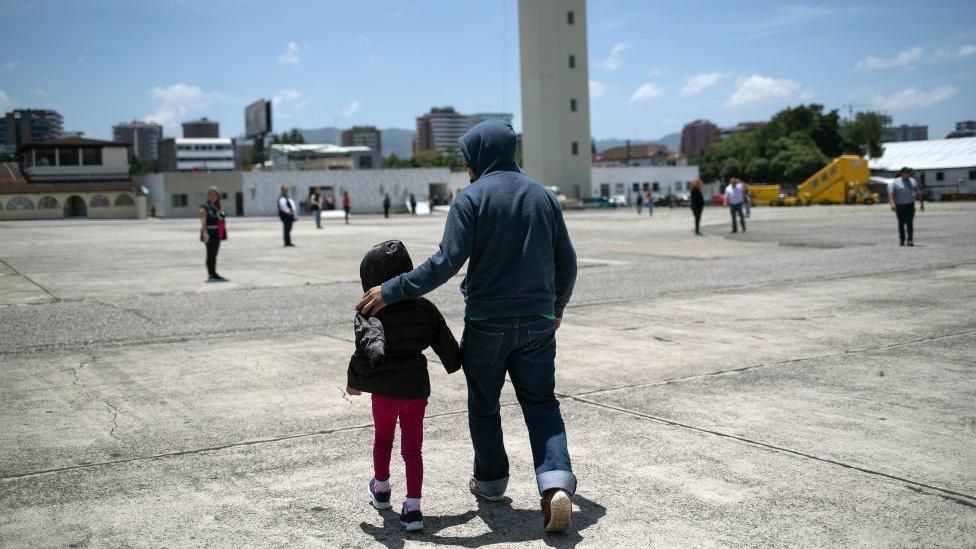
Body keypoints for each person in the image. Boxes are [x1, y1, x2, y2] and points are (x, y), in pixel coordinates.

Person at [357, 120, 578, 534]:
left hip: (487, 325)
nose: (465, 168)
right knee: (542, 405)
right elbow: (567, 261)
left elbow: (445, 264)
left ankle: (492, 483)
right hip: (538, 323)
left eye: (466, 159)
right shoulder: (543, 197)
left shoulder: (471, 200)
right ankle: (554, 486)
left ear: (480, 155)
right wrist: (557, 306)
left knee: (484, 404)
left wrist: (393, 290)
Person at [346, 240, 461, 532]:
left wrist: (354, 384)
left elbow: (363, 350)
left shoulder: (371, 310)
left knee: (383, 440)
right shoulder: (425, 308)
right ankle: (413, 508)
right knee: (413, 449)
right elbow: (445, 343)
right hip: (416, 390)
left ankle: (381, 490)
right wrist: (455, 362)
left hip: (384, 391)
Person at [199, 186, 228, 282]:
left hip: (217, 233)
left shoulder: (218, 207)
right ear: (207, 196)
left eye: (215, 194)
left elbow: (222, 217)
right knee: (210, 254)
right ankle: (211, 275)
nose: (212, 196)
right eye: (210, 194)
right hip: (209, 232)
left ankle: (214, 273)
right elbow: (203, 221)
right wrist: (205, 233)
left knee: (214, 254)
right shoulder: (204, 207)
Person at [889, 167, 923, 246]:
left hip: (910, 205)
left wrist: (921, 203)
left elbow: (918, 192)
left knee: (909, 223)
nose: (908, 174)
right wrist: (892, 204)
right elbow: (891, 194)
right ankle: (902, 239)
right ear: (902, 173)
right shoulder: (895, 182)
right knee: (901, 223)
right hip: (899, 206)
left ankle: (910, 240)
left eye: (908, 173)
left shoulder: (913, 181)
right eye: (906, 172)